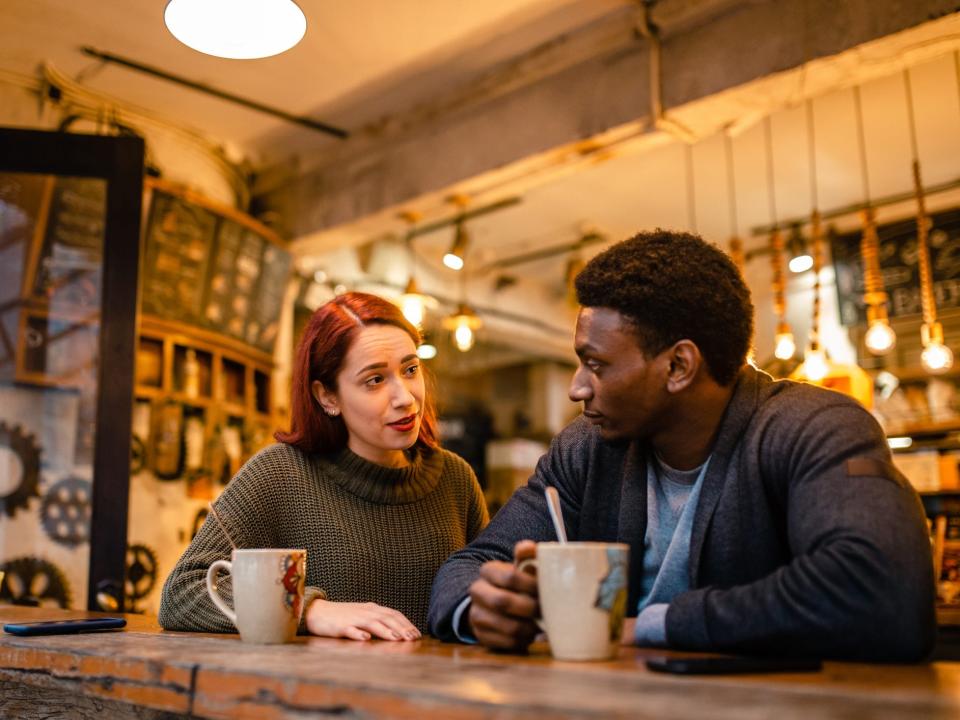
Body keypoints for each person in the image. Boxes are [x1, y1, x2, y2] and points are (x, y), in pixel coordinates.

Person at [428, 230, 936, 661]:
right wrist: (485, 607)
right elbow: (464, 569)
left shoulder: (814, 427)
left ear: (678, 366)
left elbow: (881, 593)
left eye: (597, 364)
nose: (577, 387)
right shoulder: (587, 447)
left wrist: (654, 625)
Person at [160, 291, 488, 640]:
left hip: (436, 691)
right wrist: (309, 609)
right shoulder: (279, 474)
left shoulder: (456, 479)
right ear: (327, 397)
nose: (405, 397)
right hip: (319, 690)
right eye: (375, 380)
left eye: (410, 370)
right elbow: (182, 592)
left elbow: (486, 590)